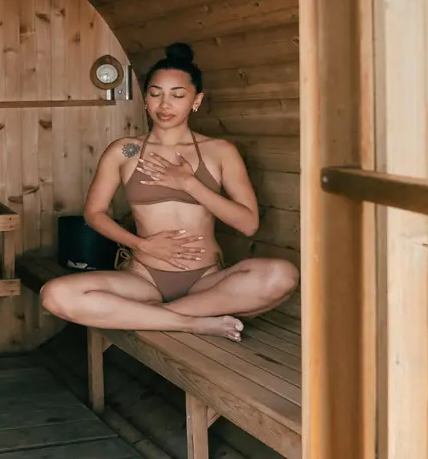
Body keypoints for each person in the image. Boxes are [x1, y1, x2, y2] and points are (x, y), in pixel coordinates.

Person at [39, 43, 299, 341]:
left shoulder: (220, 152)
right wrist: (141, 245)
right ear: (146, 98)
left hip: (206, 280)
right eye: (155, 93)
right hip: (143, 277)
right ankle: (192, 322)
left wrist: (189, 184)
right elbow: (94, 214)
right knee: (54, 295)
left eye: (177, 95)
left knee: (282, 275)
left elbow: (248, 223)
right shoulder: (125, 151)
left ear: (196, 101)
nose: (165, 105)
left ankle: (154, 316)